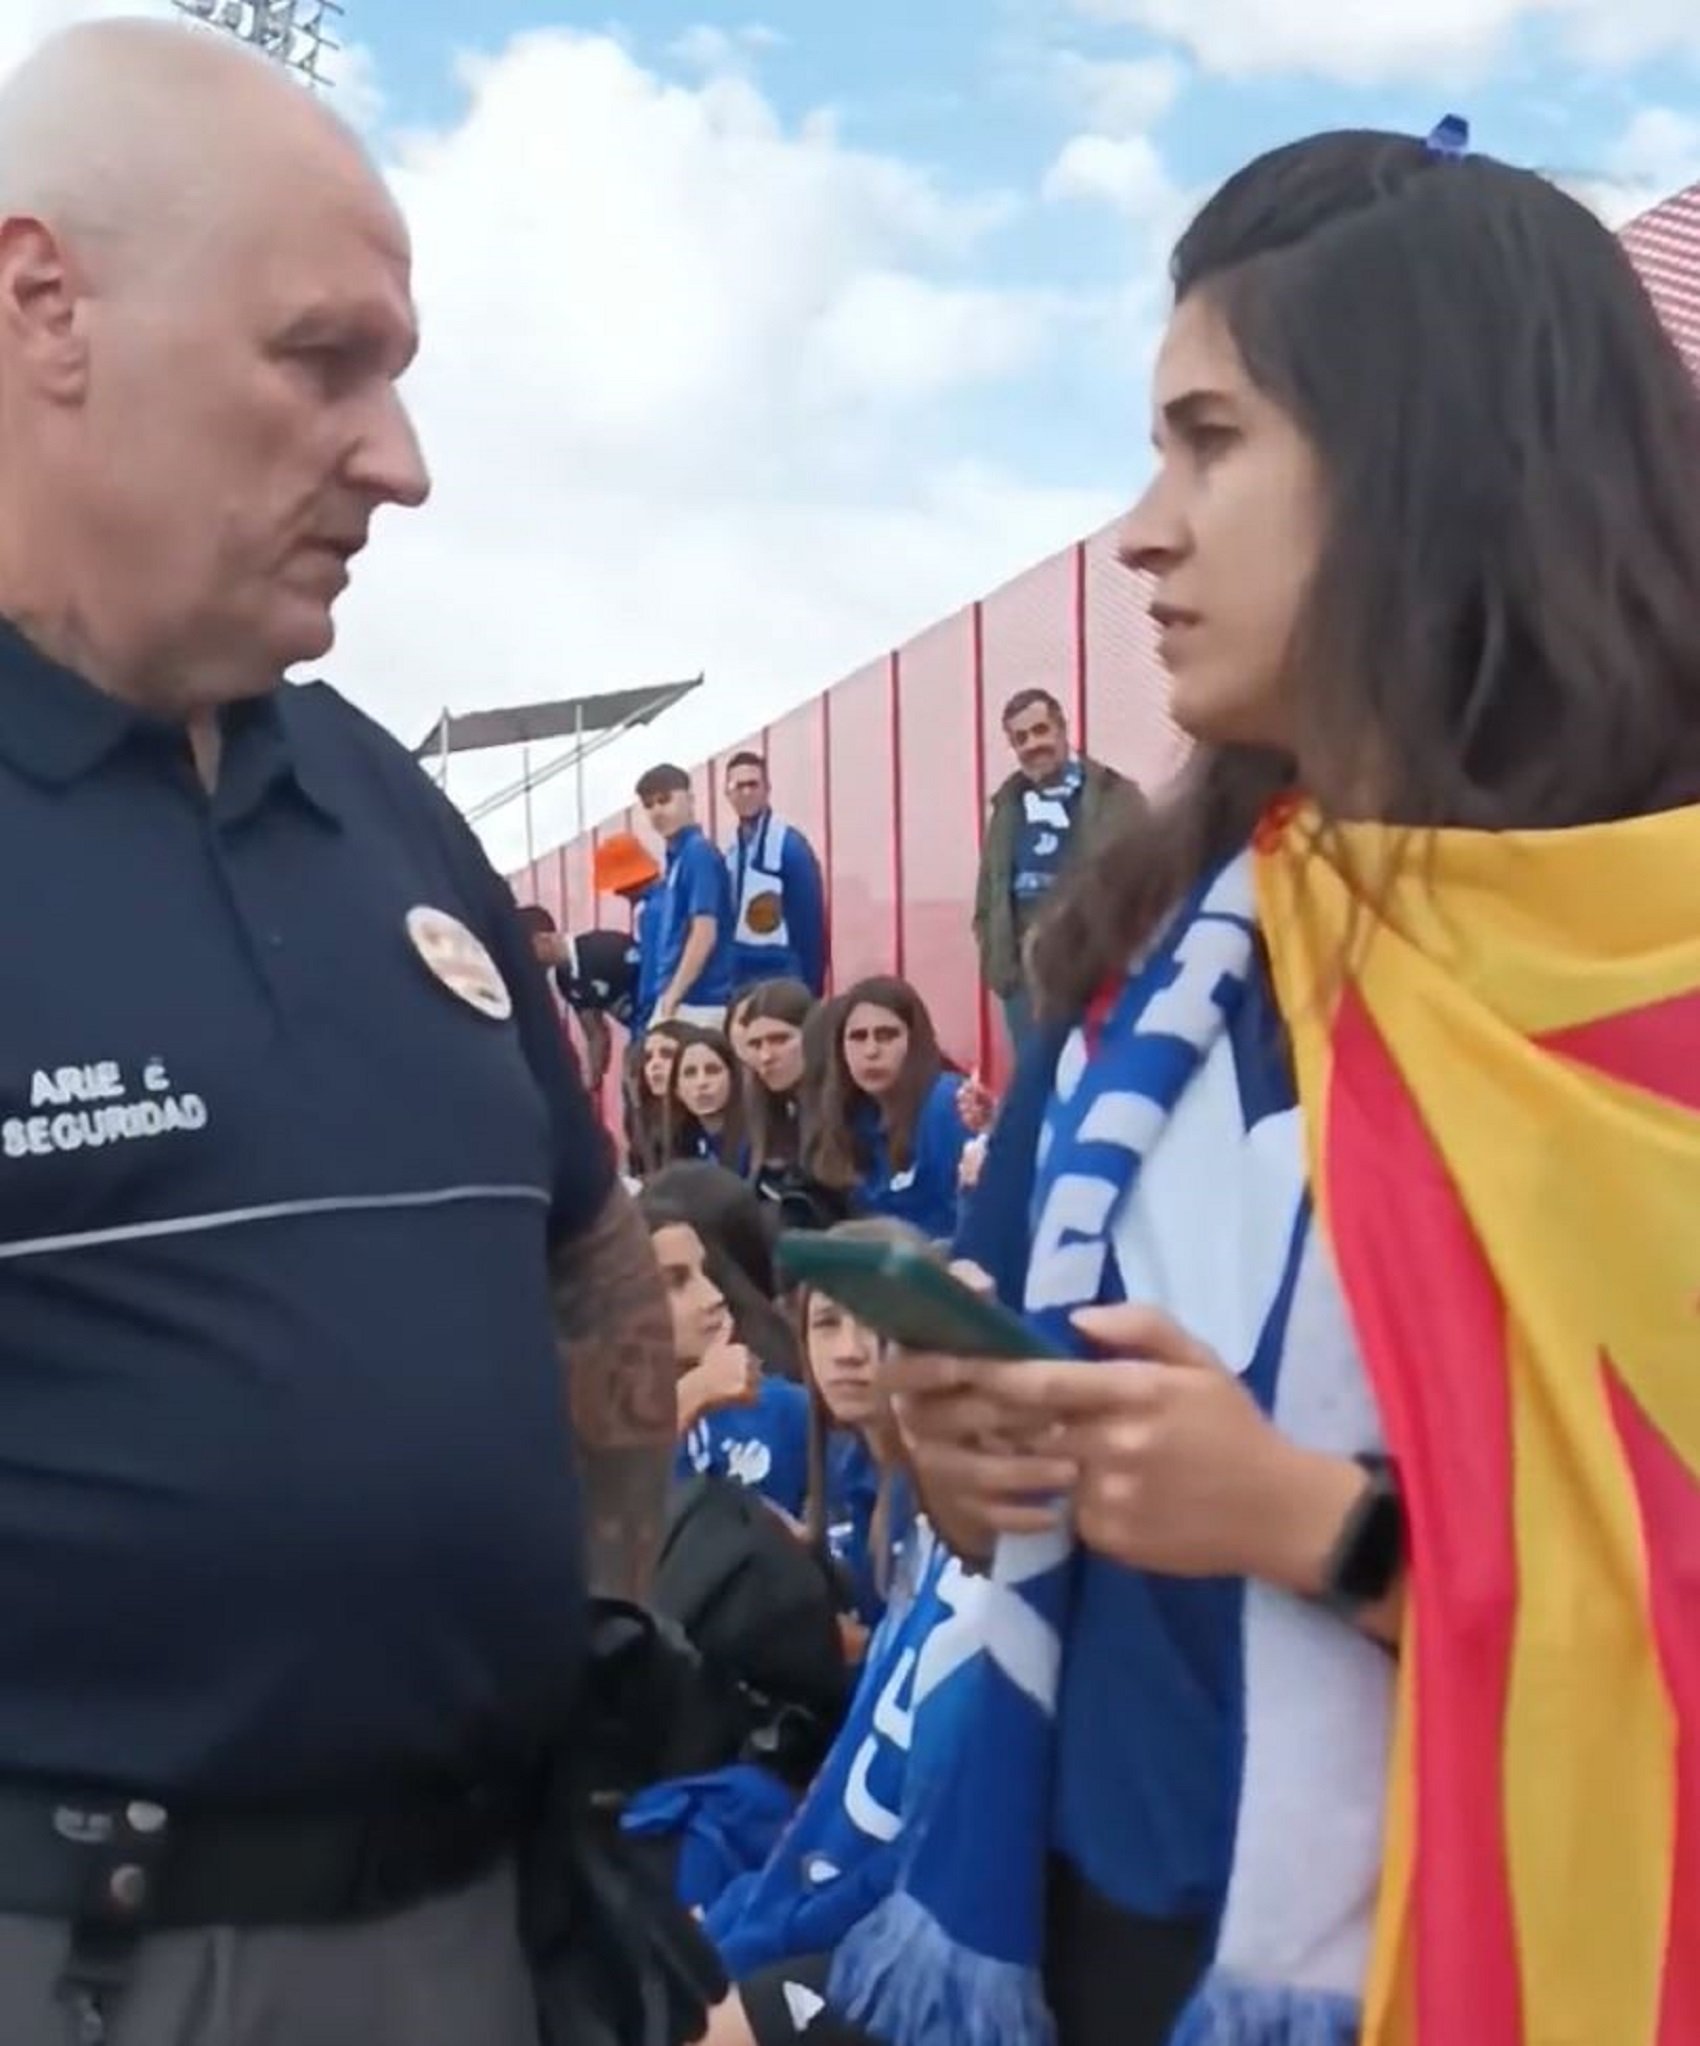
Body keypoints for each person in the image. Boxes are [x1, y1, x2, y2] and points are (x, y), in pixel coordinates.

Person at [840, 122, 1700, 2046]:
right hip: (1083, 1935)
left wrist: (1324, 1526)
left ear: (1428, 466)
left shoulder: (1658, 983)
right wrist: (953, 1438)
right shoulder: (1138, 953)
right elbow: (1009, 1467)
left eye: (1210, 442)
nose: (1145, 524)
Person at [0, 21, 678, 2045]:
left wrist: (608, 1632)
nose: (399, 457)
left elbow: (585, 1249)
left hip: (485, 1925)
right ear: (44, 309)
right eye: (322, 360)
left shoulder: (387, 804)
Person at [972, 690, 1144, 1054]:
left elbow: (1148, 883)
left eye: (1040, 730)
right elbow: (990, 892)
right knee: (1039, 1089)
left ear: (1063, 729)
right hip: (1024, 983)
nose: (1033, 744)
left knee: (1096, 1078)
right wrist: (1000, 967)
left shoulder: (1116, 797)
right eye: (1021, 738)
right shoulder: (1007, 809)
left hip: (1095, 972)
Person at [642, 1184, 810, 1516]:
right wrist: (694, 1394)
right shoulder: (579, 1430)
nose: (714, 1297)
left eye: (705, 1273)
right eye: (676, 1282)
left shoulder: (784, 1410)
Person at [805, 977, 968, 1242]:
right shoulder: (855, 1116)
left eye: (887, 1036)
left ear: (915, 1042)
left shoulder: (947, 1101)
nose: (871, 1051)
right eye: (858, 1038)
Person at [638, 762, 737, 1028]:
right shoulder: (678, 859)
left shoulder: (697, 853)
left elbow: (704, 931)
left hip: (699, 1000)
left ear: (690, 800)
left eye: (665, 800)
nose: (657, 811)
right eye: (649, 805)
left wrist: (672, 997)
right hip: (685, 998)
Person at [723, 751, 827, 997]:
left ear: (767, 789)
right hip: (742, 983)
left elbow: (810, 924)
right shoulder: (730, 850)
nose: (746, 793)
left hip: (784, 978)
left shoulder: (789, 846)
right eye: (739, 786)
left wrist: (811, 991)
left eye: (753, 785)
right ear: (728, 794)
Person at [666, 1026, 748, 1169]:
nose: (701, 1082)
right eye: (690, 1073)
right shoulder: (679, 1143)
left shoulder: (756, 1141)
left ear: (734, 1079)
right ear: (677, 1090)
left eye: (712, 1070)